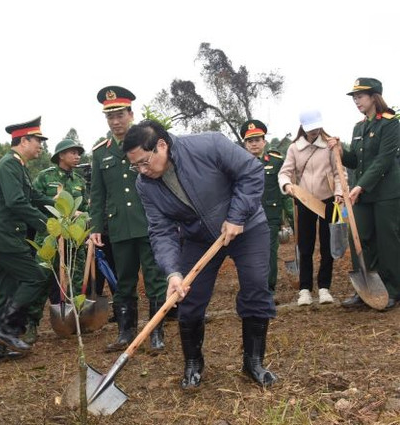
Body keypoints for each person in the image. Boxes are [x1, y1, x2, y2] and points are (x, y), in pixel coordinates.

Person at [122, 119, 278, 388]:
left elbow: (251, 172)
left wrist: (236, 216)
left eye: (145, 162)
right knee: (189, 299)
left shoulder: (209, 145)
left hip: (247, 227)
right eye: (135, 166)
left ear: (161, 145)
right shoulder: (144, 185)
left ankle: (253, 362)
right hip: (198, 238)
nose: (142, 171)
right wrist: (172, 271)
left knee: (255, 288)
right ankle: (194, 363)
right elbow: (160, 230)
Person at [89, 86, 168, 353]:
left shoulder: (148, 142)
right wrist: (96, 227)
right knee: (123, 281)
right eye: (110, 117)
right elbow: (97, 193)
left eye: (120, 114)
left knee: (155, 278)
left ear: (131, 114)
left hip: (149, 223)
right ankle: (126, 333)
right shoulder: (101, 152)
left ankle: (156, 332)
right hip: (119, 226)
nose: (116, 121)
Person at [0, 117, 54, 360]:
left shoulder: (18, 166)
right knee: (35, 277)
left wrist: (65, 211)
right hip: (3, 237)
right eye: (37, 140)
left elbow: (36, 196)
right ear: (23, 140)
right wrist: (45, 225)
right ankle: (7, 330)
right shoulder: (9, 165)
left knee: (8, 289)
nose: (40, 145)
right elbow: (17, 202)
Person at [329, 78, 400, 310]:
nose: (356, 101)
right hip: (363, 193)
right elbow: (355, 160)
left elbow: (383, 160)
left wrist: (361, 185)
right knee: (360, 238)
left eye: (360, 96)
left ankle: (391, 290)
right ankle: (366, 288)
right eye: (354, 98)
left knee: (387, 241)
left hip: (386, 193)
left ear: (374, 96)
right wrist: (341, 151)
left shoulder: (390, 123)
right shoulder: (359, 127)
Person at [278, 110, 341, 306]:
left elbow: (340, 172)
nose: (314, 132)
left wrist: (339, 191)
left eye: (317, 128)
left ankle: (324, 288)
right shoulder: (294, 148)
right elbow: (284, 173)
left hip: (329, 200)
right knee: (305, 246)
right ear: (303, 128)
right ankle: (305, 289)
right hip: (304, 201)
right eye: (311, 129)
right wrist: (287, 185)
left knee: (327, 246)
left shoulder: (330, 145)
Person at [30, 138, 88, 325]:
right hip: (49, 237)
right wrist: (53, 201)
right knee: (41, 279)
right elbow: (32, 200)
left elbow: (86, 209)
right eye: (73, 152)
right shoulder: (45, 177)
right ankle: (31, 324)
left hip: (73, 239)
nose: (77, 156)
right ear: (61, 155)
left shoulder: (79, 181)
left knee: (76, 279)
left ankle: (75, 321)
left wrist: (83, 218)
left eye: (78, 153)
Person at [240, 120, 294, 299]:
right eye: (250, 141)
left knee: (269, 253)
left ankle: (268, 290)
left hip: (270, 217)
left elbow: (284, 193)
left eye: (257, 139)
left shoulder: (276, 162)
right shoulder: (238, 163)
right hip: (246, 218)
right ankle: (251, 289)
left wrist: (291, 217)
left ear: (264, 141)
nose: (254, 143)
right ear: (244, 144)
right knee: (248, 255)